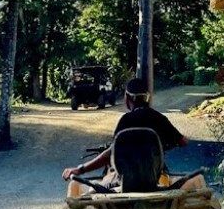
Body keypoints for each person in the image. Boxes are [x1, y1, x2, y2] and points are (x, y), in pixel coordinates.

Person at [61, 77, 189, 184]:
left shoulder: (126, 121)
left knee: (101, 184)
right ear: (147, 98)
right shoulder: (159, 118)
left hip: (126, 181)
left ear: (127, 98)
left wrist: (81, 169)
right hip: (155, 178)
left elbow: (111, 153)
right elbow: (183, 142)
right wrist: (163, 144)